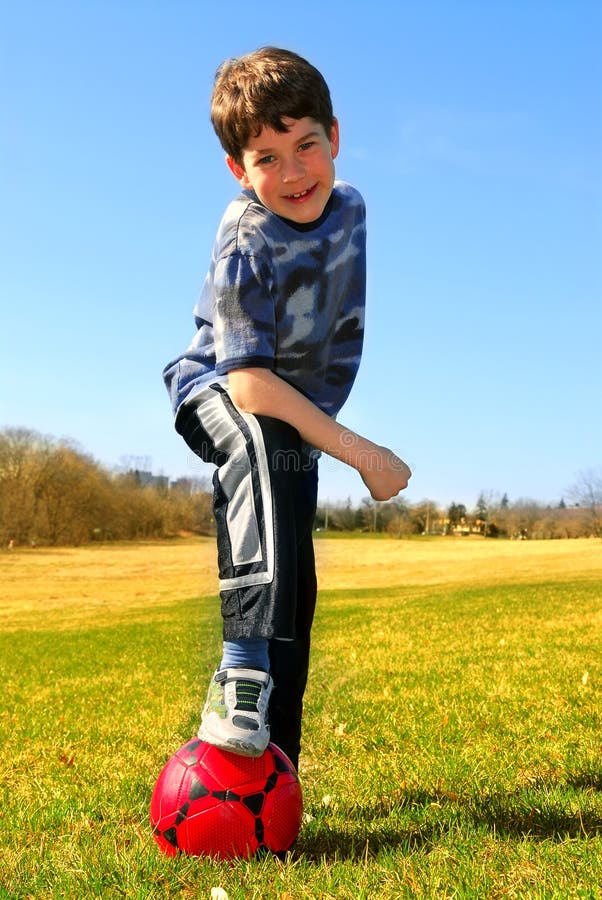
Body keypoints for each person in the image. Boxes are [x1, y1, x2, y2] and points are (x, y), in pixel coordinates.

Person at [163, 47, 411, 770]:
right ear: (239, 171)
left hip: (292, 417)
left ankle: (280, 770)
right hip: (218, 390)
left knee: (293, 589)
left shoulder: (353, 208)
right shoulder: (244, 238)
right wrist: (363, 452)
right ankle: (241, 667)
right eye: (268, 158)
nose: (296, 172)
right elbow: (247, 386)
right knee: (258, 444)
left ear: (335, 135)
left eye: (307, 144)